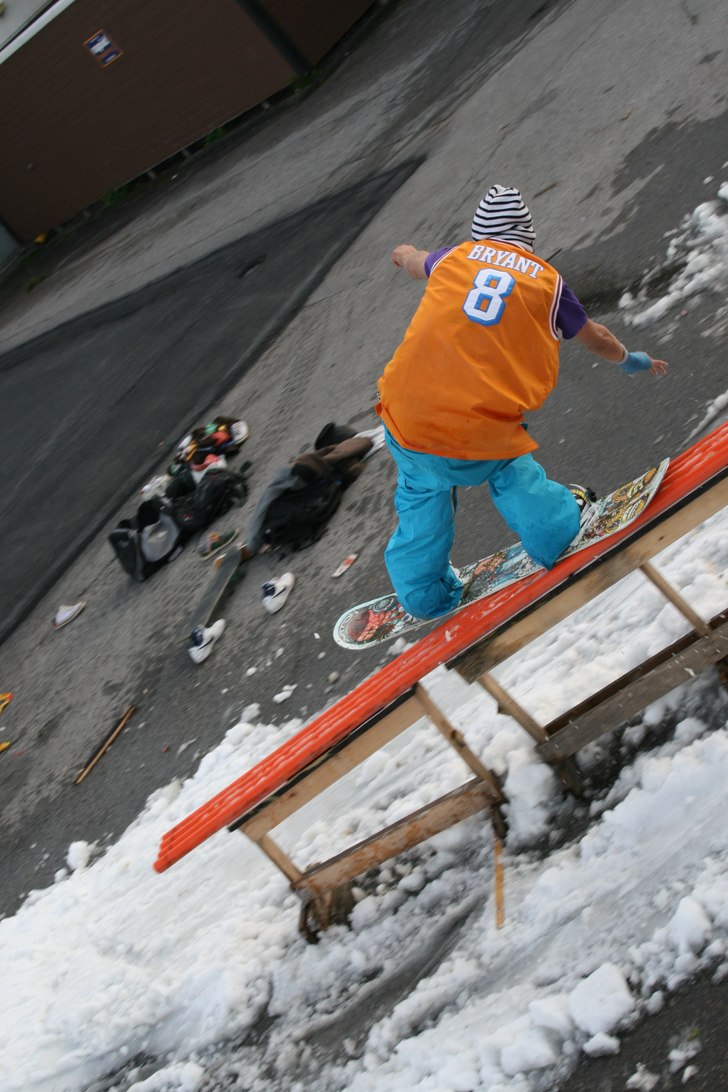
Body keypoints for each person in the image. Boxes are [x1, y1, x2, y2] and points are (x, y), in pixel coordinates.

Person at [375, 184, 668, 620]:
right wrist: (632, 360)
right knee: (513, 476)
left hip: (404, 412)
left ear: (480, 237)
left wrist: (404, 254)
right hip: (477, 428)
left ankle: (423, 596)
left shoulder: (456, 256)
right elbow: (598, 339)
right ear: (527, 240)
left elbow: (417, 262)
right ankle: (557, 532)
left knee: (420, 497)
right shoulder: (547, 282)